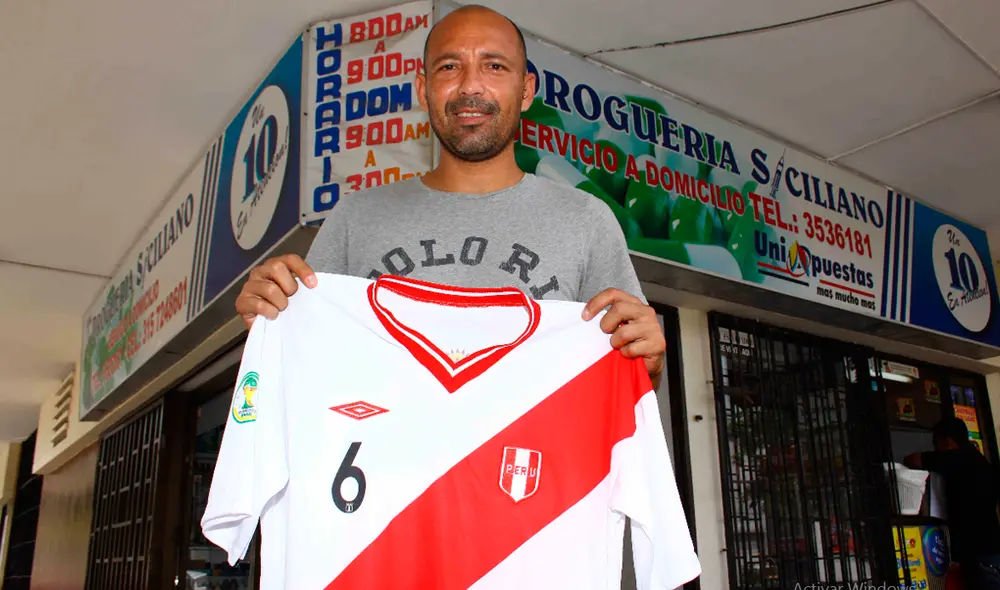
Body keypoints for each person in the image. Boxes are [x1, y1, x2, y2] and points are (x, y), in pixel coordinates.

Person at [234, 4, 666, 389]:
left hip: (531, 474)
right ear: (423, 90)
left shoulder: (586, 219)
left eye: (494, 66)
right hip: (383, 475)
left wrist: (650, 361)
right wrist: (273, 321)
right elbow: (310, 369)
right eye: (448, 67)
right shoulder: (356, 216)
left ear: (527, 89)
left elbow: (628, 385)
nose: (470, 87)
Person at [904, 417, 1000, 589]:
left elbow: (912, 460)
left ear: (946, 441)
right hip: (991, 550)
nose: (936, 449)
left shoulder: (955, 460)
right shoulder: (981, 461)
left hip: (979, 557)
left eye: (936, 444)